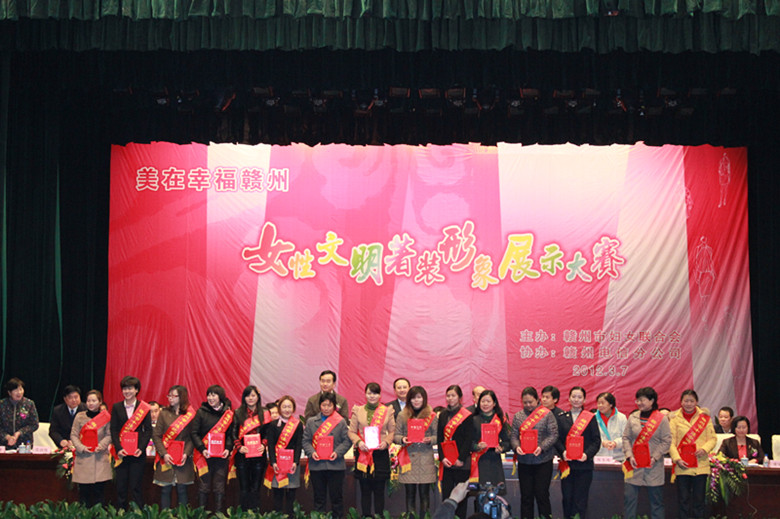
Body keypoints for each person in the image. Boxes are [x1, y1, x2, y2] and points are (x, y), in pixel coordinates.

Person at [622, 386, 672, 519]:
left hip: (653, 467)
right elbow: (626, 438)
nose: (639, 403)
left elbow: (666, 441)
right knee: (629, 501)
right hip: (634, 465)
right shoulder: (633, 417)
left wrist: (655, 457)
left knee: (656, 503)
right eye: (637, 400)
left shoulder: (661, 419)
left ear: (651, 401)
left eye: (642, 400)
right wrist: (629, 456)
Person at [510, 386, 558, 519]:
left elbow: (553, 434)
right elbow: (513, 436)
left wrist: (542, 447)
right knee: (526, 496)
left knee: (542, 495)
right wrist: (516, 447)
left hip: (543, 461)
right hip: (524, 461)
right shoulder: (518, 416)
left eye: (530, 402)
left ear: (537, 400)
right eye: (525, 402)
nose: (528, 405)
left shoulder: (547, 414)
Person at [348, 382, 395, 518]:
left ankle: (379, 515)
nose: (372, 396)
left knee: (379, 490)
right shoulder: (358, 410)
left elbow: (393, 431)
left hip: (380, 453)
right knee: (365, 489)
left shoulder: (387, 411)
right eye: (369, 393)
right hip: (363, 453)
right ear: (365, 394)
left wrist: (386, 442)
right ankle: (366, 516)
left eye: (375, 393)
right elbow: (351, 432)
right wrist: (359, 442)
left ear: (380, 395)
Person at [668, 389, 717, 519]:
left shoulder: (704, 418)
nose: (688, 404)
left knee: (699, 501)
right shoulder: (674, 419)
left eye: (691, 401)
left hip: (700, 465)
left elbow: (713, 439)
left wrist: (704, 449)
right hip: (682, 465)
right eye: (686, 401)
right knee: (683, 500)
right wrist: (677, 459)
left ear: (696, 402)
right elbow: (671, 442)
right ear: (681, 402)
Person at [302, 392, 352, 517]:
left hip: (336, 466)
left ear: (334, 406)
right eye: (323, 405)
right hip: (317, 466)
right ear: (319, 406)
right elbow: (305, 441)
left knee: (337, 499)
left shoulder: (340, 422)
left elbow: (347, 441)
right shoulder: (311, 422)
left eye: (329, 405)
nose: (326, 408)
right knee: (319, 499)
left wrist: (337, 452)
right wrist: (312, 452)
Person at [555, 386, 600, 519]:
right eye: (573, 396)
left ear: (584, 400)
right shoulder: (561, 418)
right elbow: (557, 439)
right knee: (567, 498)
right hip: (567, 465)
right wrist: (563, 452)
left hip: (584, 465)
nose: (576, 399)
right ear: (569, 399)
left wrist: (586, 455)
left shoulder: (590, 417)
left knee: (581, 499)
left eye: (579, 397)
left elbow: (596, 441)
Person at [109, 375, 153, 509]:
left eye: (130, 388)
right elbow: (113, 429)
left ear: (136, 390)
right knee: (121, 487)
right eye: (124, 389)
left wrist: (141, 448)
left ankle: (137, 513)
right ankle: (121, 513)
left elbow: (148, 430)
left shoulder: (143, 408)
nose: (127, 391)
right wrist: (118, 448)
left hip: (137, 454)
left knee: (136, 487)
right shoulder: (116, 407)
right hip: (121, 454)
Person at [394, 385, 438, 516]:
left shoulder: (431, 415)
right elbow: (396, 435)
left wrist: (430, 439)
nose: (416, 400)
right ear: (409, 400)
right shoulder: (402, 415)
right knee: (410, 494)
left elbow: (438, 436)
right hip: (408, 459)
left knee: (425, 495)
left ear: (424, 399)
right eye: (413, 398)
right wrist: (403, 439)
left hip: (425, 459)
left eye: (419, 397)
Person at [191, 385, 234, 513]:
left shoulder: (228, 414)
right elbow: (194, 433)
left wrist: (228, 448)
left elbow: (231, 434)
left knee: (219, 487)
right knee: (203, 486)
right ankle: (201, 514)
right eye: (209, 395)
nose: (210, 398)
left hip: (221, 457)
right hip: (204, 456)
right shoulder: (201, 412)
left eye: (214, 395)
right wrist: (202, 448)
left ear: (220, 397)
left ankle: (218, 514)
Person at [152, 385, 196, 509]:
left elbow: (192, 437)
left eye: (174, 396)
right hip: (166, 457)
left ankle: (182, 516)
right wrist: (164, 453)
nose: (170, 398)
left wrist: (186, 453)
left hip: (183, 458)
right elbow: (156, 436)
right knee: (165, 489)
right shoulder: (164, 413)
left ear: (182, 397)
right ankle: (165, 516)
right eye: (169, 395)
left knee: (182, 490)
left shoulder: (190, 415)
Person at [437, 384, 474, 519]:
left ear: (460, 398)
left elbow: (468, 440)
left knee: (461, 496)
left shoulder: (467, 416)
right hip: (447, 462)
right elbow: (440, 438)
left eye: (453, 395)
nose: (450, 398)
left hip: (461, 462)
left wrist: (461, 459)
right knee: (446, 495)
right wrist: (442, 457)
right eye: (448, 396)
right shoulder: (443, 414)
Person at [70, 389, 112, 507]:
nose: (91, 403)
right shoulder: (80, 416)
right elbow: (73, 435)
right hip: (84, 458)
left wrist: (101, 445)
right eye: (88, 401)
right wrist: (81, 447)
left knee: (99, 494)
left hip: (100, 459)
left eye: (94, 400)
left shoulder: (106, 417)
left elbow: (109, 435)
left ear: (100, 402)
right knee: (84, 494)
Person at [264, 395, 304, 515]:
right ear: (279, 408)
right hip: (277, 465)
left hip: (292, 465)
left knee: (291, 496)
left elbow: (298, 445)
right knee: (278, 495)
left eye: (289, 407)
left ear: (293, 409)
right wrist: (273, 462)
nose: (287, 409)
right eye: (284, 407)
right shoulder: (273, 425)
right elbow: (271, 445)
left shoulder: (298, 424)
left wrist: (296, 462)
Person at [233, 385, 267, 512]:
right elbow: (233, 433)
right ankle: (243, 514)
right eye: (247, 396)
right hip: (242, 456)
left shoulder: (265, 413)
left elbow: (268, 432)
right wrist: (239, 447)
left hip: (259, 455)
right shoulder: (238, 413)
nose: (250, 398)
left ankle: (255, 514)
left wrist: (263, 445)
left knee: (256, 488)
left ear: (258, 397)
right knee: (244, 488)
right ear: (244, 398)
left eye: (253, 395)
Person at [471, 390, 510, 493]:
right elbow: (468, 442)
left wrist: (501, 448)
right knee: (479, 494)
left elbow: (507, 441)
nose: (485, 404)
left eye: (488, 401)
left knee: (495, 493)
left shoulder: (500, 420)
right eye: (483, 401)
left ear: (494, 403)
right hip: (479, 461)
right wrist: (477, 446)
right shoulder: (473, 420)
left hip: (494, 461)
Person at [0, 377, 39, 448]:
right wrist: (7, 437)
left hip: (25, 444)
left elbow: (34, 424)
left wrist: (20, 432)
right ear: (9, 392)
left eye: (21, 389)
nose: (19, 392)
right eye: (15, 390)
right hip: (4, 444)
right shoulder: (2, 404)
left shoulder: (29, 404)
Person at [594, 391, 629, 461]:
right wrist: (602, 443)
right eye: (598, 403)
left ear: (611, 404)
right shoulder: (593, 418)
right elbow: (590, 438)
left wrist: (615, 443)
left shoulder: (621, 418)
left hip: (618, 458)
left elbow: (626, 437)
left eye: (602, 403)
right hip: (599, 457)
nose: (600, 405)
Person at [49, 385, 86, 450]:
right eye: (70, 397)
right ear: (65, 399)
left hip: (82, 446)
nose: (74, 400)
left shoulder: (86, 410)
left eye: (76, 397)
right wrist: (60, 441)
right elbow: (53, 431)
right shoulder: (57, 411)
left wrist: (76, 441)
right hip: (64, 447)